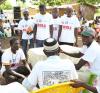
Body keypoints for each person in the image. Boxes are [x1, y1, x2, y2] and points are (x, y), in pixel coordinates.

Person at [61, 27, 100, 93]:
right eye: (83, 36)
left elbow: (78, 66)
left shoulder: (93, 48)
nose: (83, 39)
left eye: (86, 37)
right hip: (92, 71)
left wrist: (62, 64)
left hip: (96, 75)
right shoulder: (87, 44)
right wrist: (64, 52)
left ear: (93, 37)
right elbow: (79, 54)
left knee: (71, 78)